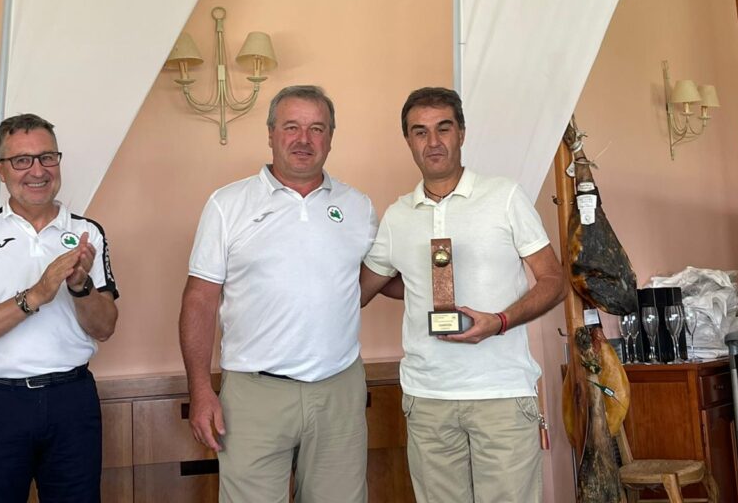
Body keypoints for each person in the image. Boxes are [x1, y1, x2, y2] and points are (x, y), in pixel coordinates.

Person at [360, 87, 566, 503]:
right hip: (428, 397)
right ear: (408, 140)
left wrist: (500, 322)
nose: (433, 142)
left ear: (462, 133)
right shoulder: (397, 216)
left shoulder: (504, 196)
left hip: (501, 394)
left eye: (443, 128)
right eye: (420, 132)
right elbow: (366, 288)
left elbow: (554, 281)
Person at [179, 85, 377, 503]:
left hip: (339, 391)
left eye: (316, 128)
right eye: (291, 127)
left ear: (330, 137)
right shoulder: (227, 204)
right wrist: (200, 389)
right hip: (254, 394)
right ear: (270, 133)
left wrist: (434, 278)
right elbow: (200, 300)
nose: (304, 139)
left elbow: (370, 281)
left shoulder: (358, 206)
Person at [0, 113, 119, 503]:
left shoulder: (88, 233)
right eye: (22, 160)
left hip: (72, 400)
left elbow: (105, 327)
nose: (38, 171)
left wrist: (80, 287)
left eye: (47, 157)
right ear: (0, 170)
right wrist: (36, 294)